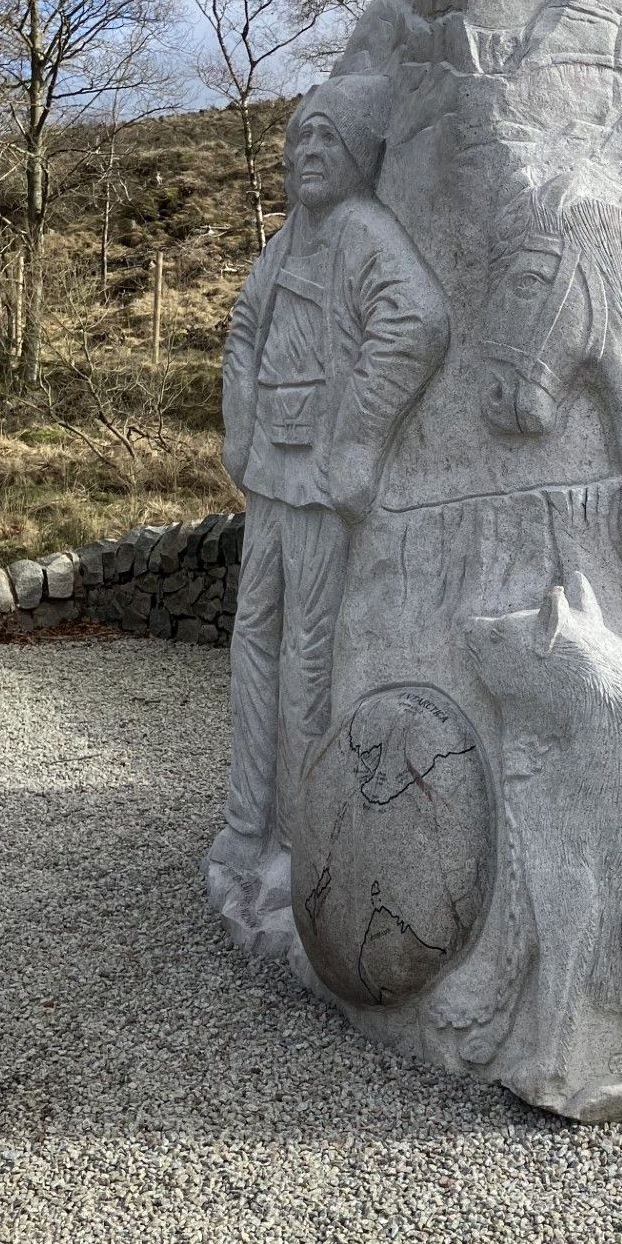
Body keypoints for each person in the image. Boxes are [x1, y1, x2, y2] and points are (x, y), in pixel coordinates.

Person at [207, 72, 449, 926]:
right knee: (251, 646)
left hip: (316, 482)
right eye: (300, 140)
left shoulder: (362, 231)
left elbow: (414, 323)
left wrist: (354, 445)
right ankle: (247, 823)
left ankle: (300, 844)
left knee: (309, 656)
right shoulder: (287, 241)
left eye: (328, 142)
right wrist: (240, 434)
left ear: (359, 158)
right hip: (272, 473)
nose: (310, 154)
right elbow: (242, 334)